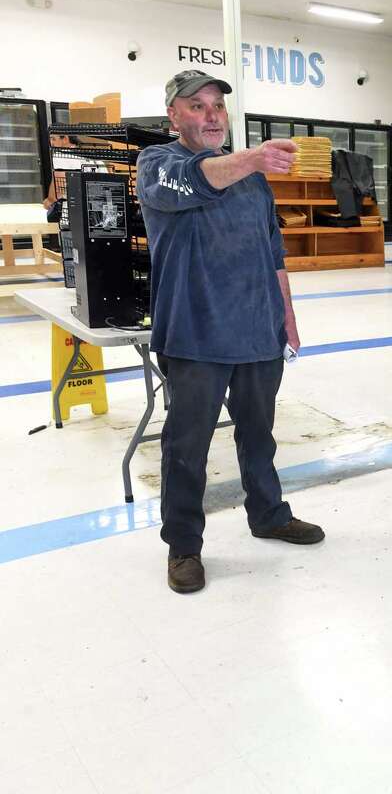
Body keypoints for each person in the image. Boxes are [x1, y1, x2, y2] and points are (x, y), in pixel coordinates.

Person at [136, 70, 325, 594]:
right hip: (195, 333)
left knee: (258, 433)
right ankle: (184, 546)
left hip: (257, 330)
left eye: (217, 105)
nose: (212, 114)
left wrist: (286, 317)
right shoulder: (156, 165)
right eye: (197, 106)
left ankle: (268, 513)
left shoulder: (253, 179)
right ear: (173, 115)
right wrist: (254, 157)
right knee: (186, 446)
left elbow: (273, 253)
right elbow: (200, 180)